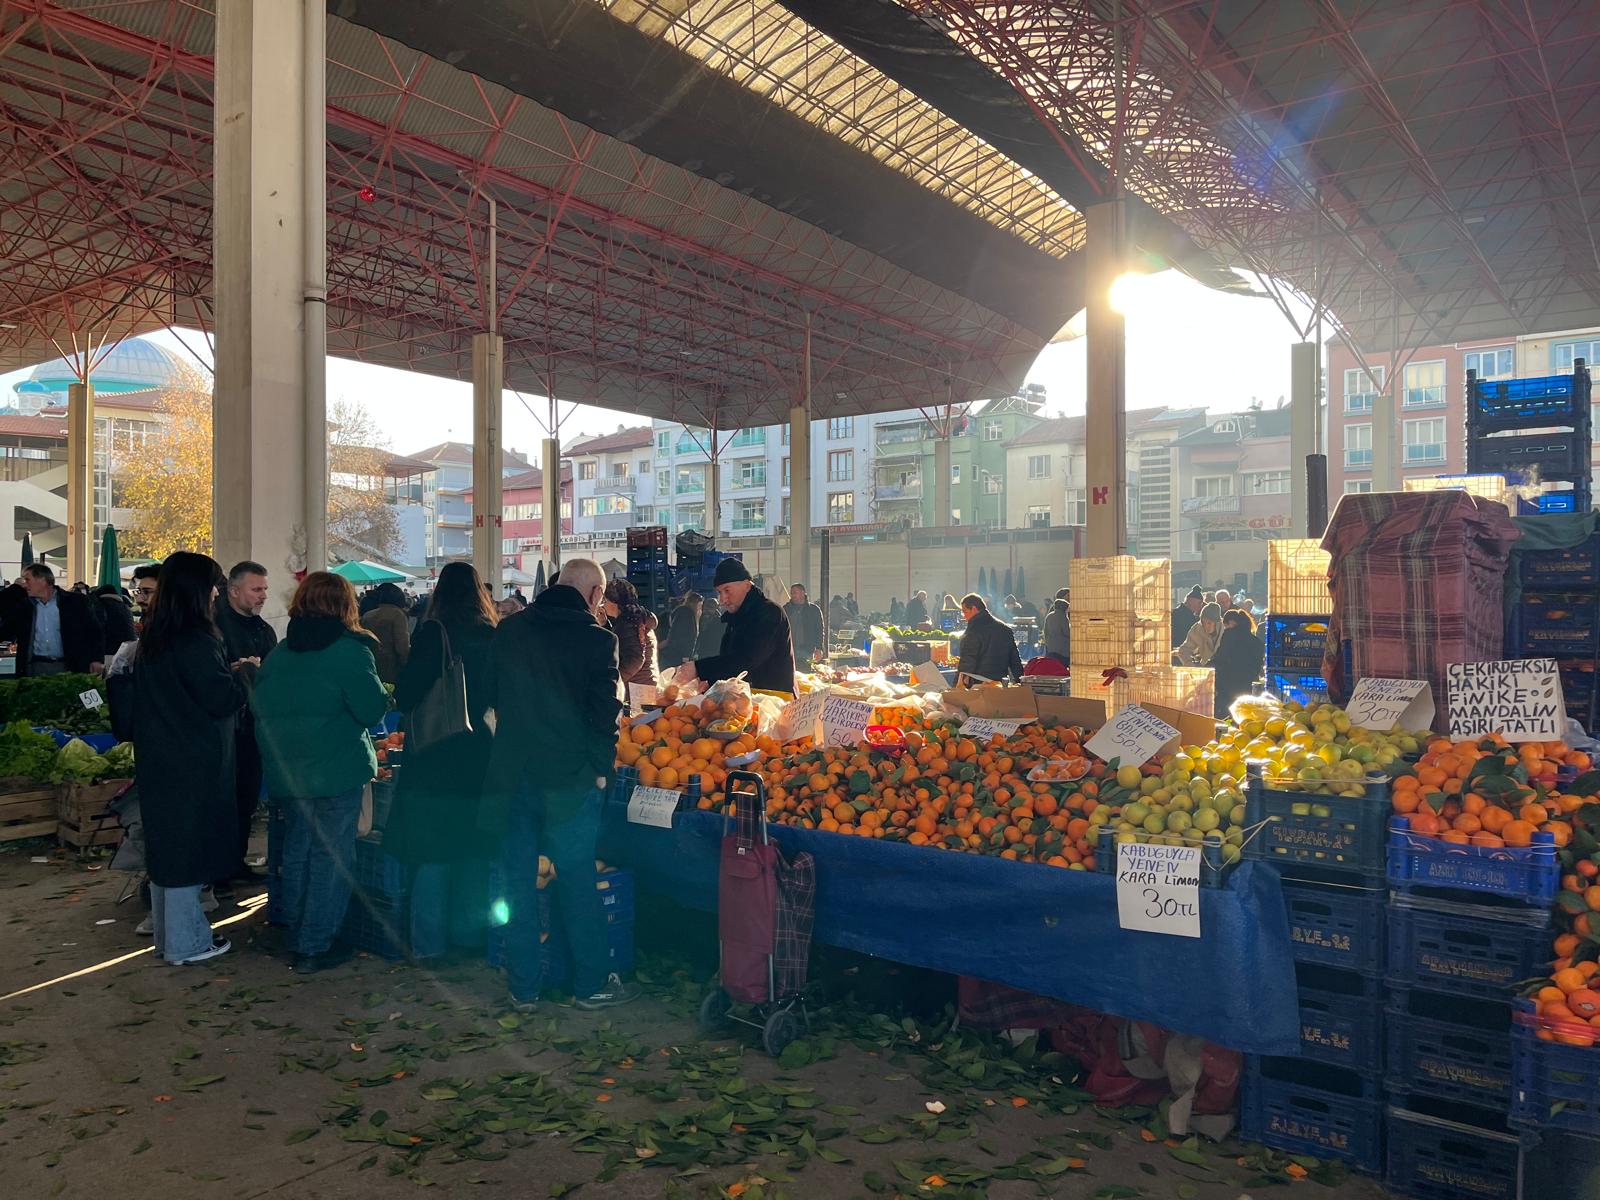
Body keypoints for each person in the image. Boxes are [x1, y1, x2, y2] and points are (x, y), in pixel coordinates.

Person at [480, 558, 633, 1011]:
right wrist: (600, 768)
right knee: (577, 877)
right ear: (592, 596)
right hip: (570, 779)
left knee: (517, 880)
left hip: (512, 774)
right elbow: (604, 715)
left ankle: (523, 987)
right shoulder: (598, 640)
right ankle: (589, 984)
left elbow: (487, 693)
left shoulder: (510, 631)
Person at [252, 572, 390, 973]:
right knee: (331, 857)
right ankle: (315, 943)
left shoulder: (281, 652)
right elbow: (370, 709)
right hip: (336, 770)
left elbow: (260, 708)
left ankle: (295, 931)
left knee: (297, 851)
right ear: (346, 605)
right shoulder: (351, 651)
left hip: (288, 774)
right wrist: (383, 692)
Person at [129, 552, 248, 965]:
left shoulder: (155, 636)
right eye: (214, 584)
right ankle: (186, 942)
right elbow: (220, 698)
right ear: (198, 590)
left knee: (167, 848)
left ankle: (169, 937)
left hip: (160, 755)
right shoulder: (195, 638)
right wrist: (243, 675)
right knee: (187, 849)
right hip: (193, 759)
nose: (217, 593)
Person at [386, 562, 498, 962]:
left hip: (437, 753)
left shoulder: (435, 633)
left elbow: (409, 690)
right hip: (481, 752)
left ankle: (429, 947)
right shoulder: (493, 634)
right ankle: (469, 939)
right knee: (473, 847)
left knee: (433, 852)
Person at [214, 560, 279, 882]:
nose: (263, 595)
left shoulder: (263, 630)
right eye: (257, 589)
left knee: (246, 798)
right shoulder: (215, 628)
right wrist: (236, 670)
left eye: (265, 589)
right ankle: (219, 869)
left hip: (255, 727)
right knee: (224, 801)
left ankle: (235, 863)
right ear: (234, 590)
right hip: (225, 729)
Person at [680, 558, 796, 696]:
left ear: (746, 585)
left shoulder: (769, 613)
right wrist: (710, 680)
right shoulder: (736, 617)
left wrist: (699, 669)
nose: (722, 599)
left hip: (774, 700)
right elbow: (728, 658)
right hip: (748, 698)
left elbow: (747, 660)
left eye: (727, 590)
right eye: (719, 592)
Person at [2, 563, 104, 676]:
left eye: (27, 580)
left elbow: (94, 631)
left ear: (42, 580)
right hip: (34, 668)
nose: (25, 585)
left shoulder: (75, 602)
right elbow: (6, 630)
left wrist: (96, 659)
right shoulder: (24, 607)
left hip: (70, 667)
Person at [954, 593, 1022, 685]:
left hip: (978, 686)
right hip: (1000, 685)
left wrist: (956, 685)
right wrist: (1020, 682)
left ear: (974, 609)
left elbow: (968, 661)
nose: (964, 616)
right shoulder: (1005, 629)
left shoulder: (974, 631)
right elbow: (1015, 661)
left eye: (965, 612)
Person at [604, 577, 659, 689]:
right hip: (647, 683)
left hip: (637, 690)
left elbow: (635, 658)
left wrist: (614, 681)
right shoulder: (637, 617)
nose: (603, 604)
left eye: (605, 600)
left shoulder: (627, 623)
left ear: (614, 602)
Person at [1210, 608, 1263, 719]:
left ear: (1232, 623)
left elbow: (1221, 657)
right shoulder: (1257, 642)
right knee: (1245, 717)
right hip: (1248, 686)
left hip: (1229, 685)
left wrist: (1208, 668)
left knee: (1224, 717)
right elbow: (1258, 665)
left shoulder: (1230, 635)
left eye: (1226, 626)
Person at [360, 581, 412, 685]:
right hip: (391, 666)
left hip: (370, 663)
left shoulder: (368, 615)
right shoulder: (398, 615)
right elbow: (402, 646)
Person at [783, 584, 824, 670]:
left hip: (807, 650)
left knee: (806, 677)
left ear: (802, 593)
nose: (792, 595)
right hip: (789, 650)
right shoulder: (786, 609)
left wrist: (819, 648)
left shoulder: (814, 610)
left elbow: (819, 630)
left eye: (795, 593)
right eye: (792, 593)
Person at [92, 585, 137, 658]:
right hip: (128, 649)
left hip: (110, 650)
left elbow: (98, 629)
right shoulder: (125, 606)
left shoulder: (100, 605)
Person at [659, 594, 701, 671]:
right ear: (694, 603)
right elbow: (686, 638)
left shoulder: (682, 612)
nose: (700, 608)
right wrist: (686, 657)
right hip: (677, 656)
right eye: (700, 605)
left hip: (672, 655)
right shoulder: (687, 614)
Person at [1178, 601, 1223, 668]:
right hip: (1206, 667)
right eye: (1203, 622)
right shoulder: (1197, 628)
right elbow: (1184, 649)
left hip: (1224, 667)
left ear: (1216, 622)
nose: (1205, 626)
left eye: (1209, 623)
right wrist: (1189, 664)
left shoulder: (1225, 629)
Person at [1042, 589, 1070, 667]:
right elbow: (1067, 631)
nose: (1070, 598)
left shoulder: (1050, 615)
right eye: (1068, 596)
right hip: (1062, 650)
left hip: (1051, 648)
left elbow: (1045, 631)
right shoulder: (1062, 615)